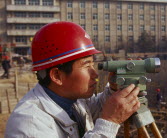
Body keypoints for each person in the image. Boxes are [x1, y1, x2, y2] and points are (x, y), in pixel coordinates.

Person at [5, 22, 140, 138]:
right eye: (86, 65)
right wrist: (109, 122)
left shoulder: (71, 99)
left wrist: (113, 90)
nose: (95, 74)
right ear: (57, 76)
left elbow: (98, 108)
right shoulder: (29, 126)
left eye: (92, 65)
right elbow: (107, 116)